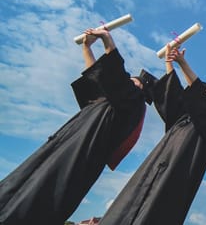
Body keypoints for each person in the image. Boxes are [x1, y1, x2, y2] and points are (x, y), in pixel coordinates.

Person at [0, 28, 149, 224]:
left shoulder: (132, 105)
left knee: (37, 196)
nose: (130, 82)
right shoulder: (106, 100)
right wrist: (86, 48)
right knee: (19, 185)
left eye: (135, 82)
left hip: (78, 154)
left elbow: (116, 78)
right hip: (62, 143)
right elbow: (96, 77)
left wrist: (108, 41)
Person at [99, 45, 206, 225]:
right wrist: (169, 64)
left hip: (176, 176)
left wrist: (183, 63)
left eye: (204, 96)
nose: (193, 97)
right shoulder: (184, 118)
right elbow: (172, 97)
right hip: (153, 168)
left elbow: (196, 94)